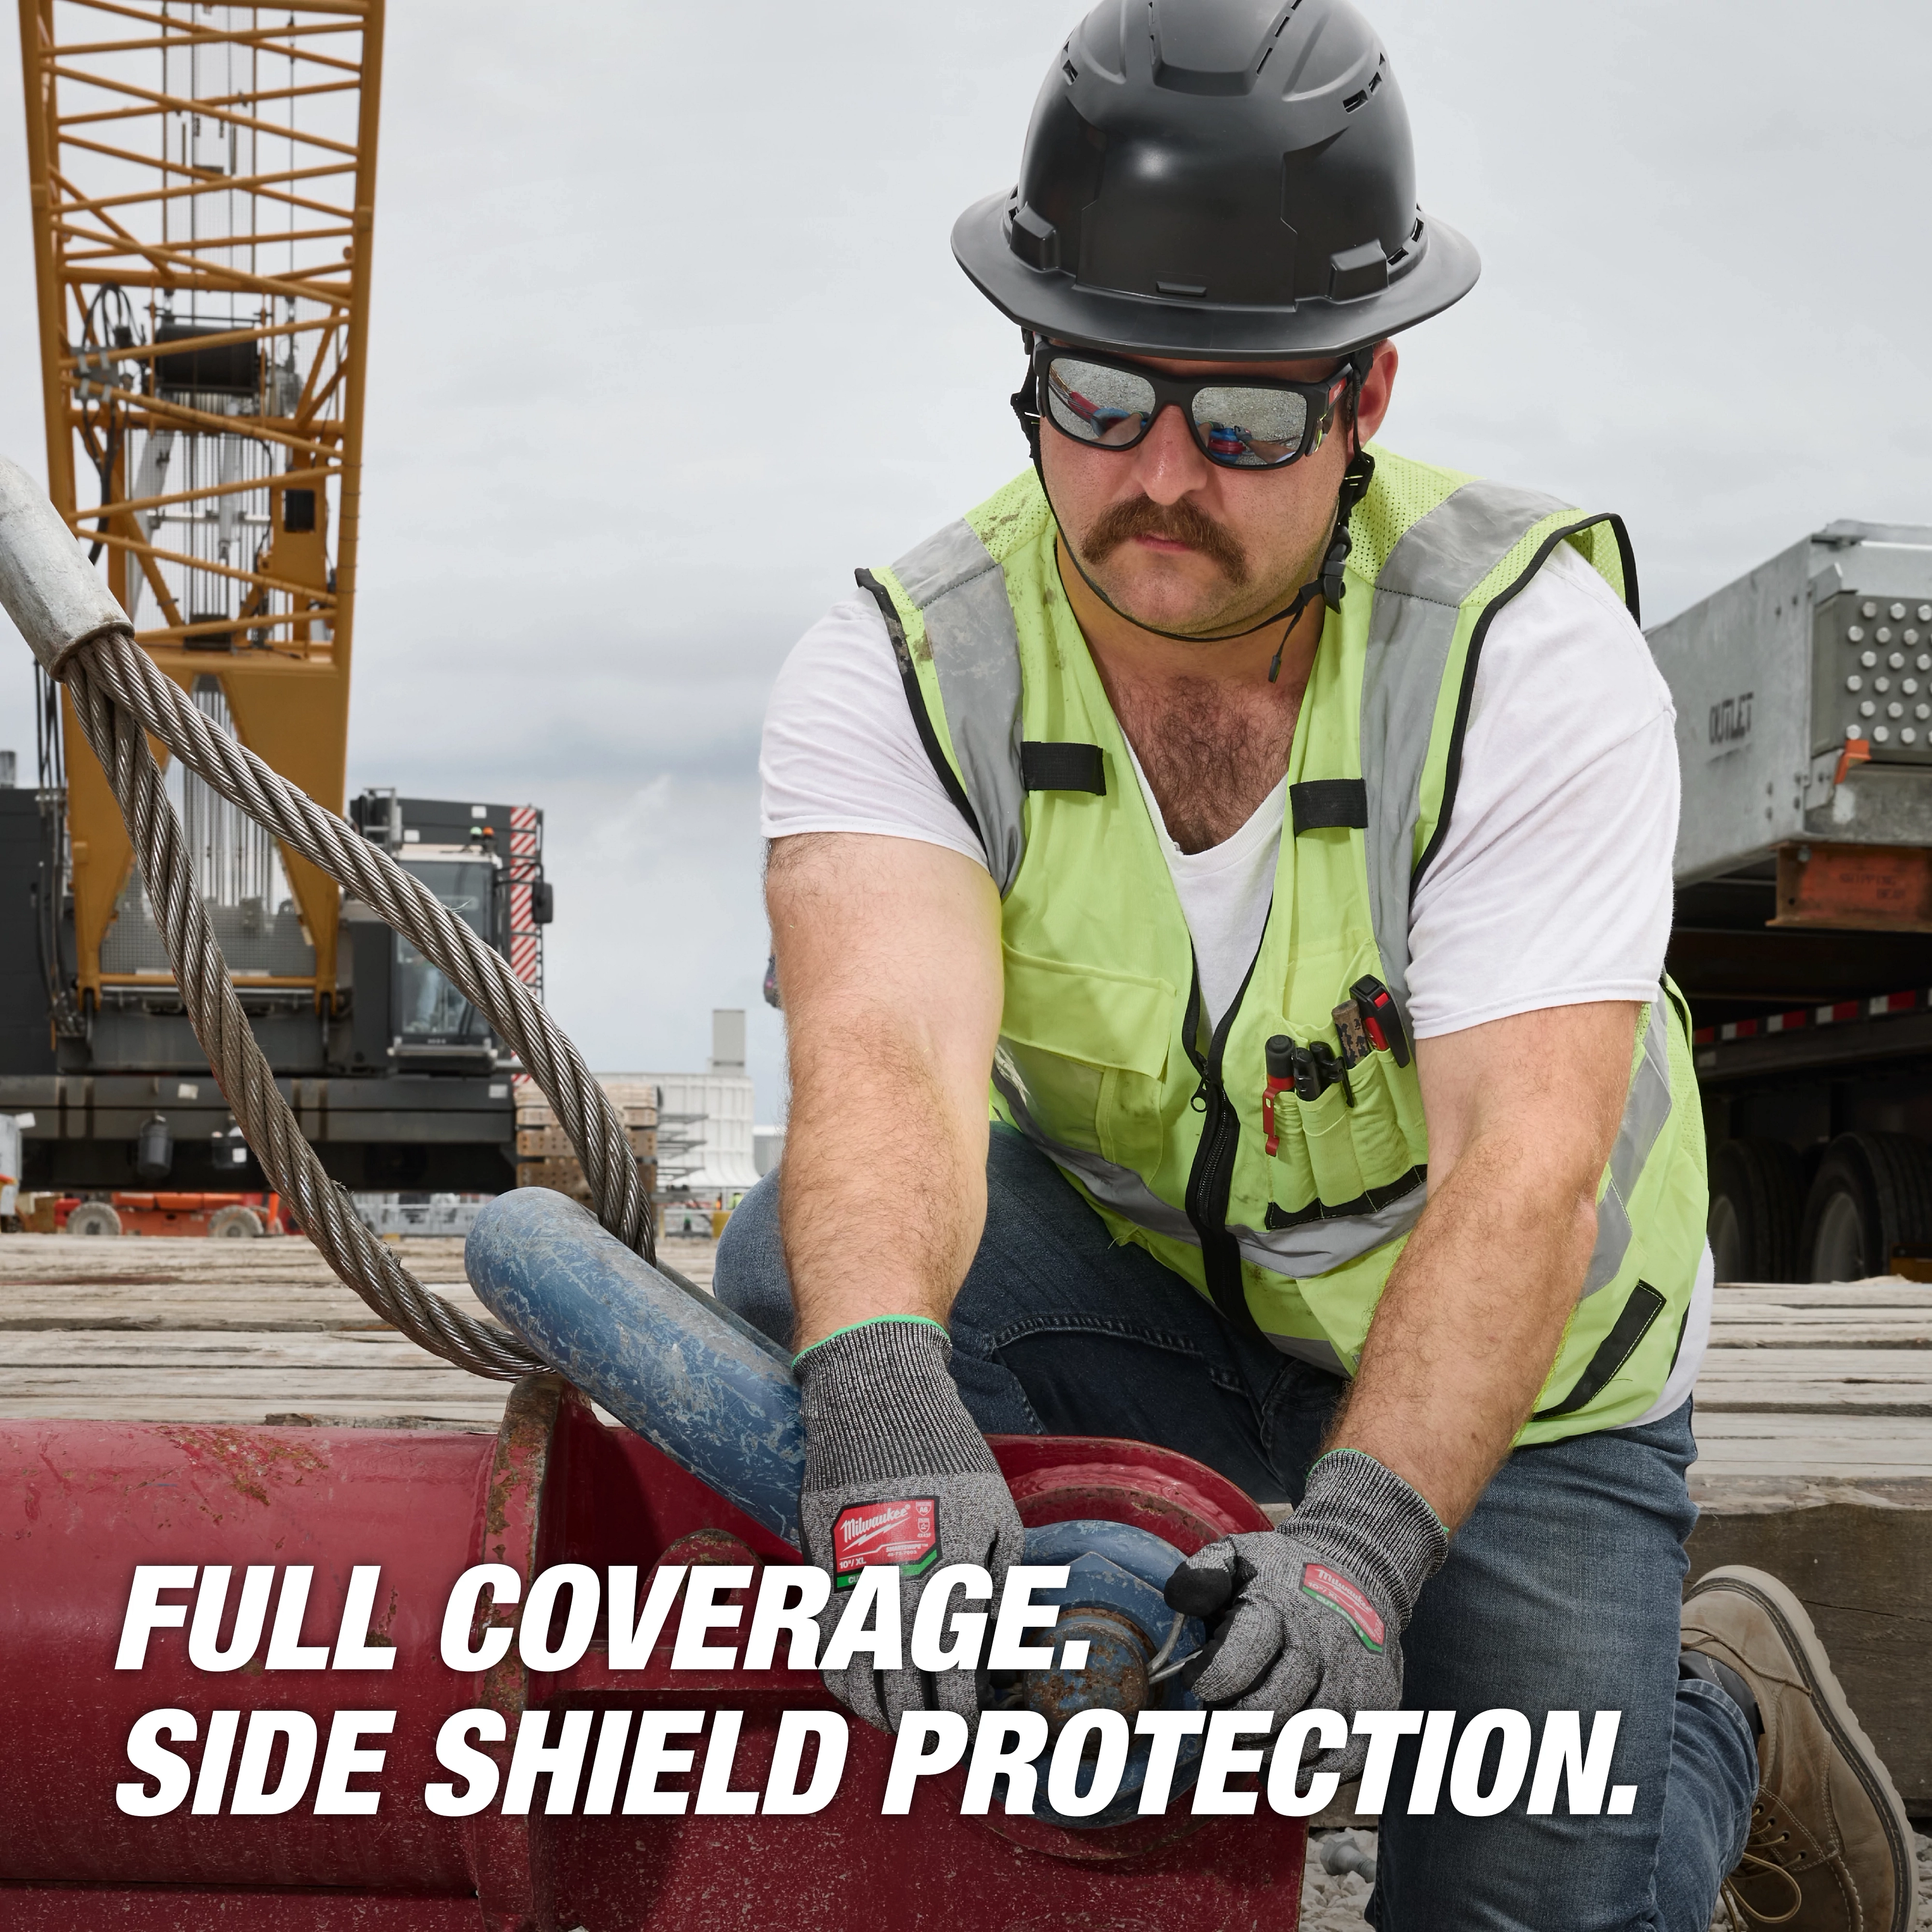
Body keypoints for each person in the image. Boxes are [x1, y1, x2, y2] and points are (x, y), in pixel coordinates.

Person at [717, 2, 1916, 1925]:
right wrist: (879, 1425)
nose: (1164, 473)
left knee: (1523, 1907)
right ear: (1027, 370)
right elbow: (881, 1074)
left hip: (1526, 1368)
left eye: (1246, 416)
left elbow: (1525, 1166)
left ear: (1360, 404)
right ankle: (1103, 1680)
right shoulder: (905, 659)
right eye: (1101, 395)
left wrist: (1358, 1552)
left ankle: (1710, 1722)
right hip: (1179, 1307)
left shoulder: (1519, 651)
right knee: (807, 1266)